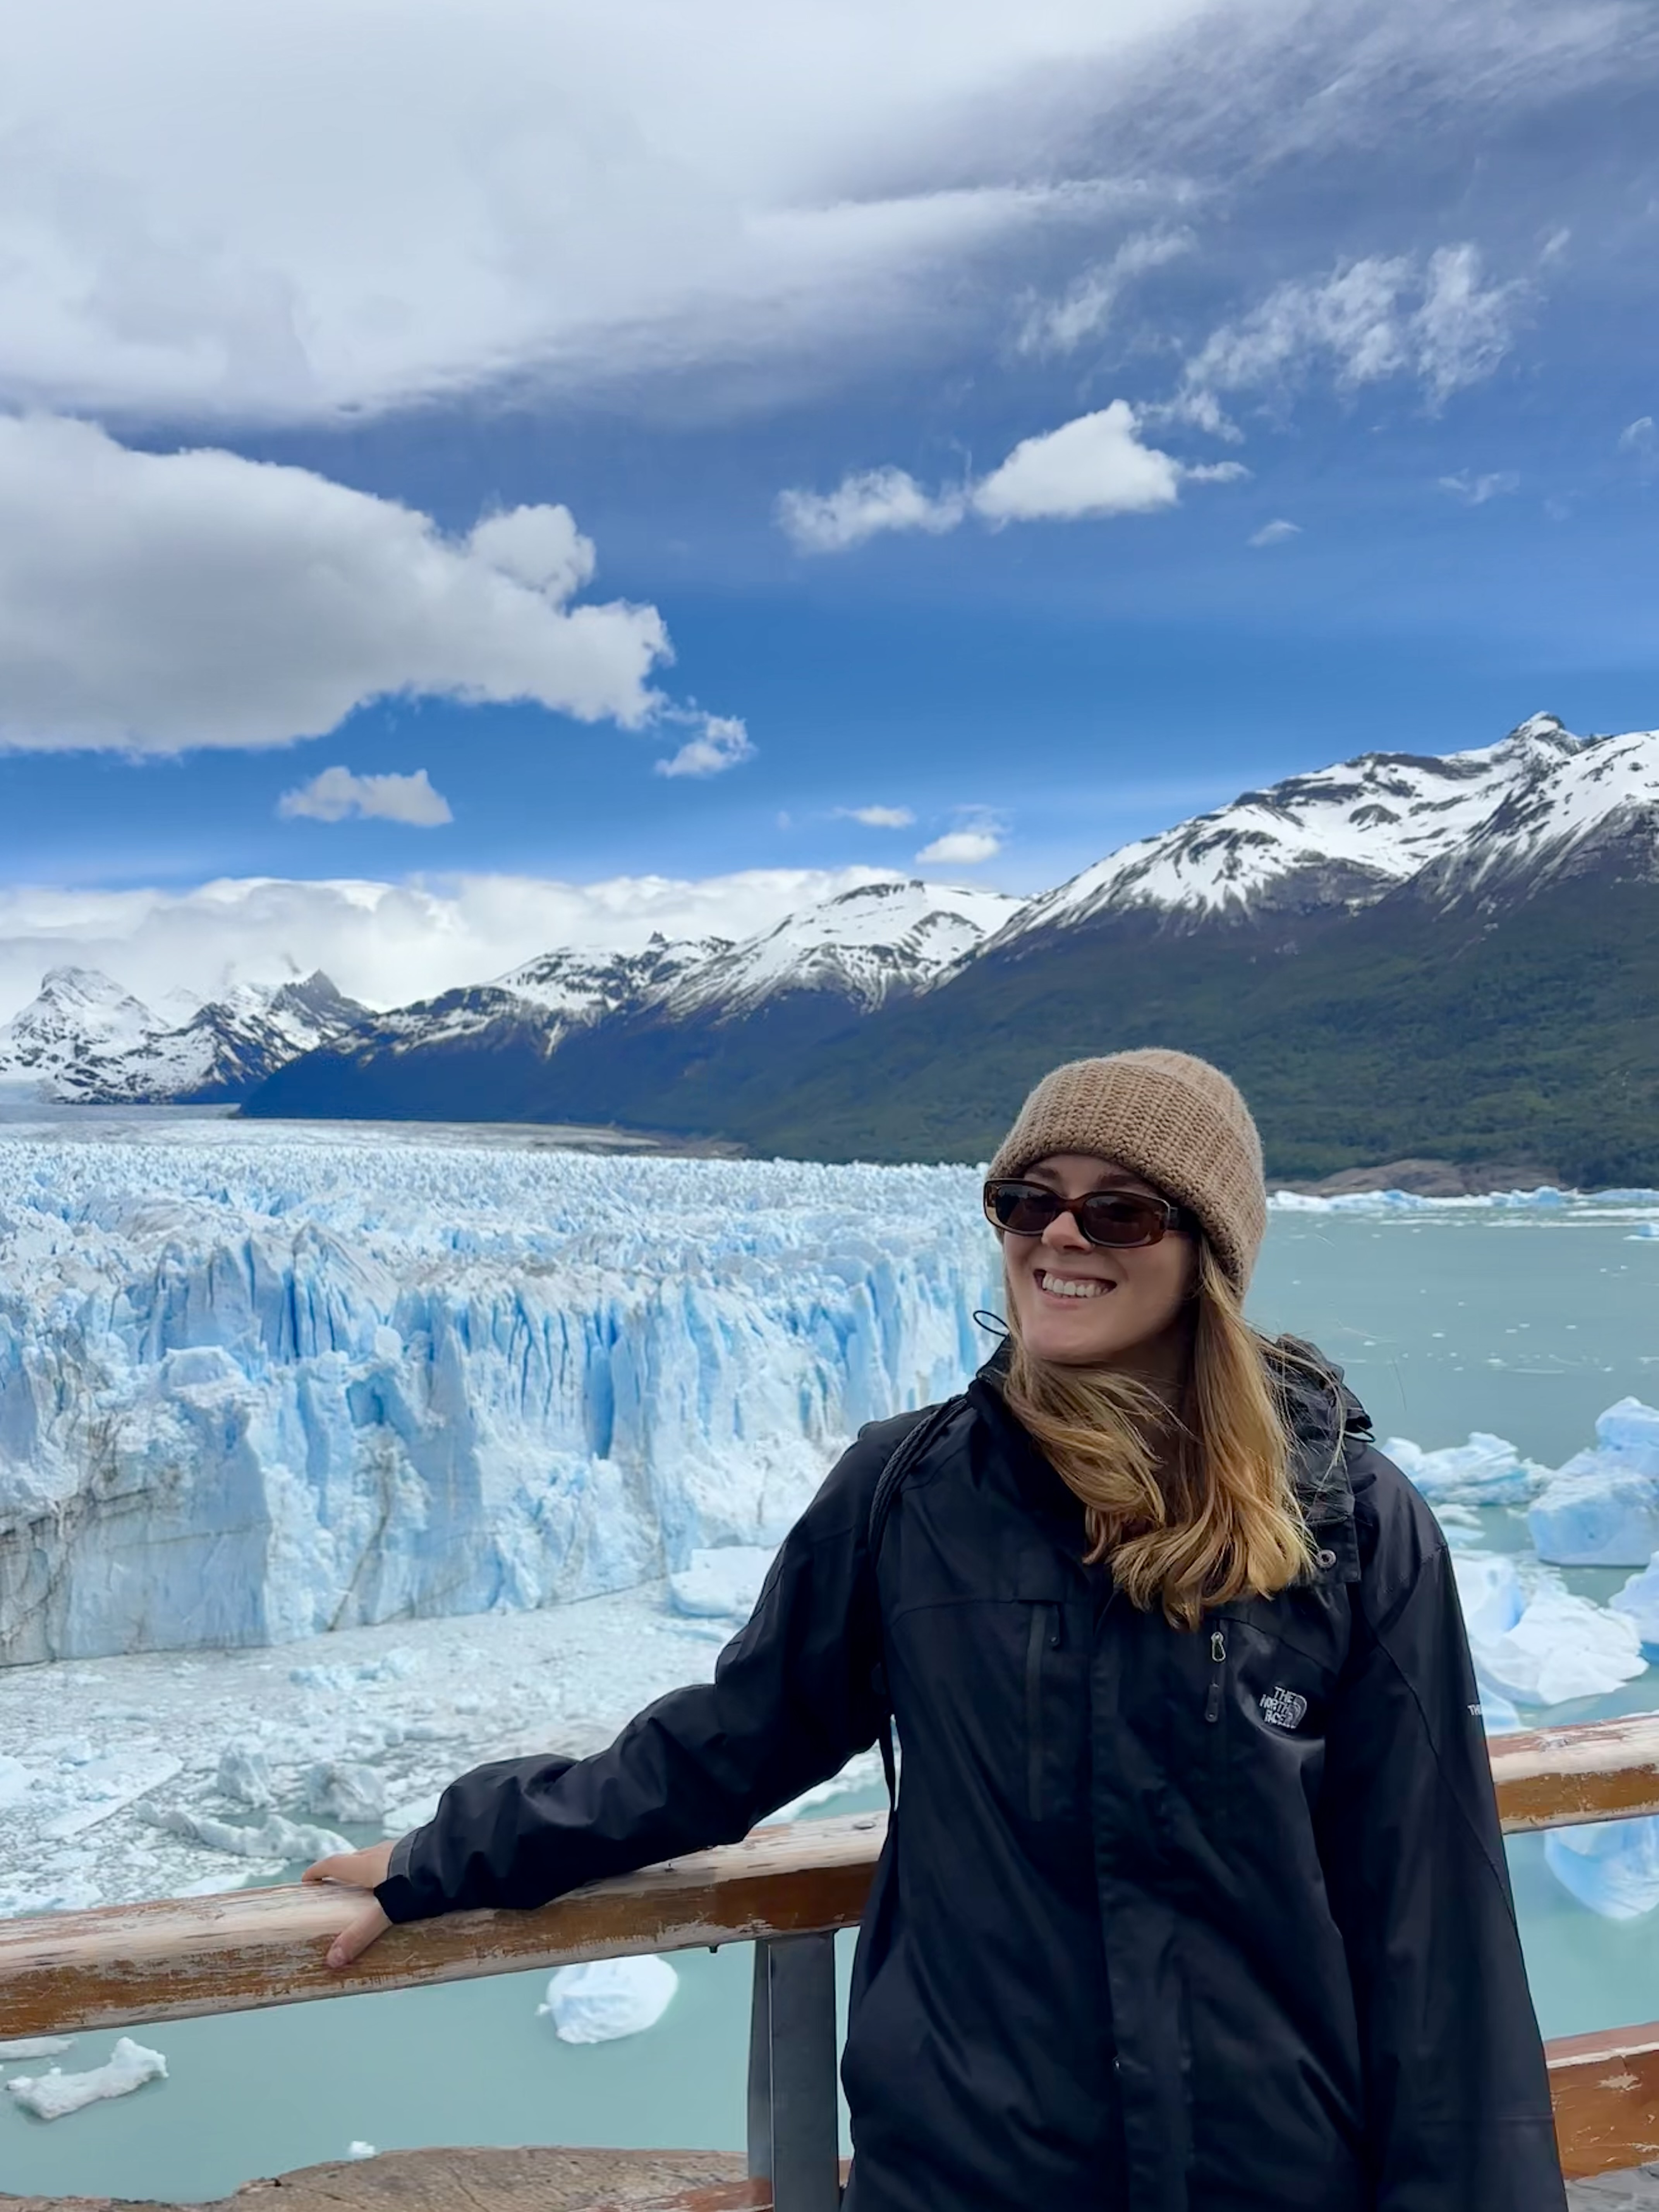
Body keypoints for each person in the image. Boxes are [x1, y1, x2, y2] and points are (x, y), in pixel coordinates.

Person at [305, 1048, 1566, 2212]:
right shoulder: (909, 1490)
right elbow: (730, 1744)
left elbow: (1433, 1922)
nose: (1059, 1237)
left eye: (1119, 1210)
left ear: (1207, 1254)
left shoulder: (1342, 1518)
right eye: (1026, 1201)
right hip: (971, 2171)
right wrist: (453, 1855)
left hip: (1266, 2175)